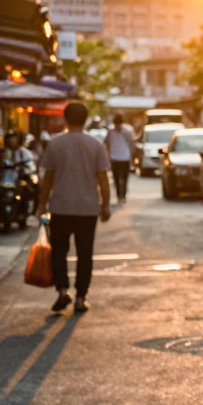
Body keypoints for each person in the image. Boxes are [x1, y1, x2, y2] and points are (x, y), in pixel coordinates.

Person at [35, 101, 111, 313]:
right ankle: (80, 297)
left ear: (65, 119)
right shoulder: (95, 145)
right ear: (85, 119)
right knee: (85, 253)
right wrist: (105, 205)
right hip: (87, 208)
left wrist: (42, 205)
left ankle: (62, 291)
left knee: (59, 251)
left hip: (61, 206)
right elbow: (103, 179)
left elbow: (47, 179)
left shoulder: (55, 144)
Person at [104, 113, 136, 204]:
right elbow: (107, 143)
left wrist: (132, 156)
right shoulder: (111, 131)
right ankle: (119, 195)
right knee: (116, 178)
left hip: (125, 157)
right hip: (115, 158)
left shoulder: (127, 131)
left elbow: (131, 144)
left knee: (124, 178)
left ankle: (123, 195)